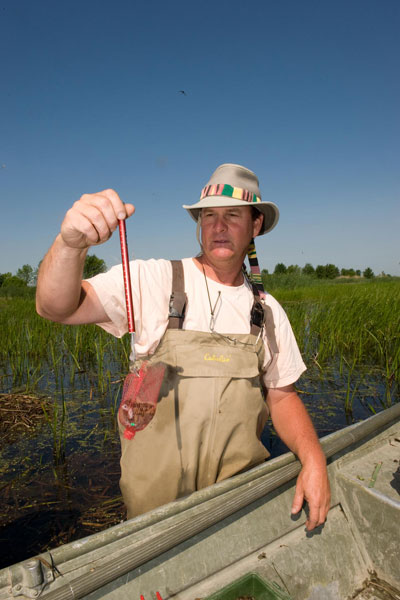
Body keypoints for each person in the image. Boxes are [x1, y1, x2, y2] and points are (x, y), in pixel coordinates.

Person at [36, 163, 330, 530]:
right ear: (199, 224)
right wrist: (70, 244)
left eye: (232, 215)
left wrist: (314, 458)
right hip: (152, 516)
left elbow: (283, 397)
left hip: (235, 507)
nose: (218, 227)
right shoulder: (153, 280)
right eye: (209, 216)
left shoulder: (267, 311)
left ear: (255, 225)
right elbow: (55, 307)